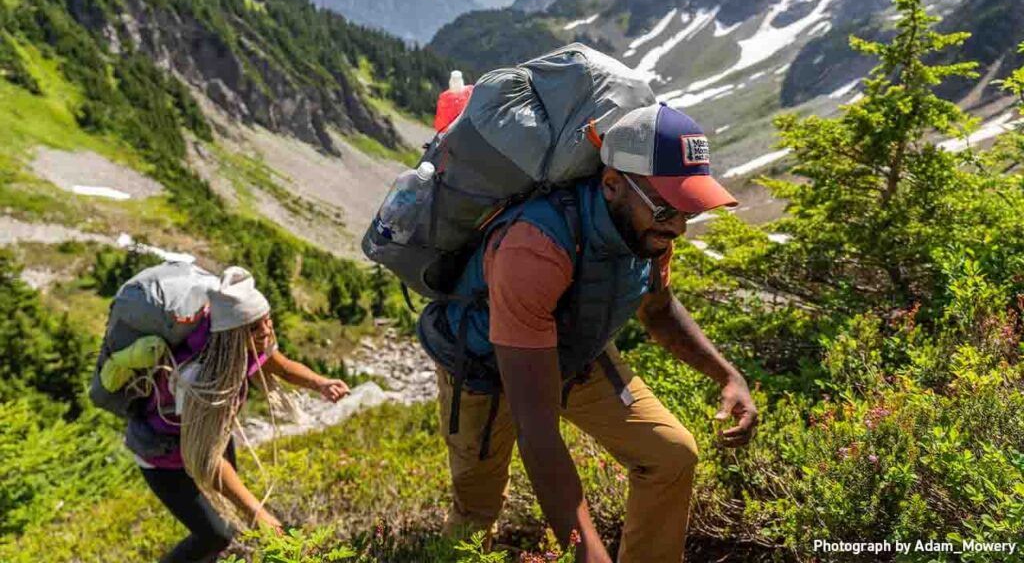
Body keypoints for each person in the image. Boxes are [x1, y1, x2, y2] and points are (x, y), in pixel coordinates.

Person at [417, 104, 759, 562]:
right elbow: (537, 430)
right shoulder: (534, 246)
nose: (676, 225)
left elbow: (658, 311)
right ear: (613, 185)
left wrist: (727, 376)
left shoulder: (648, 232)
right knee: (477, 509)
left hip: (572, 351)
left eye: (687, 210)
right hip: (483, 367)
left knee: (671, 457)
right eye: (665, 207)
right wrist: (585, 553)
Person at [129, 266, 350, 563]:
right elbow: (209, 459)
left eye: (267, 320)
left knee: (224, 519)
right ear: (233, 334)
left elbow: (278, 364)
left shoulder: (241, 344)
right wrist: (259, 513)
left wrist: (320, 383)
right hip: (163, 457)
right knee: (215, 534)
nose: (267, 330)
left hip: (211, 436)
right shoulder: (198, 379)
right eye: (256, 327)